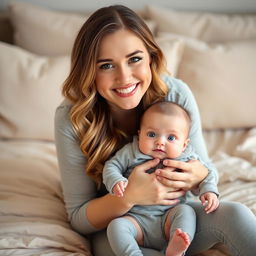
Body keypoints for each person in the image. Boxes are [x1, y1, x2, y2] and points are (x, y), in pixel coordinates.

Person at [54, 4, 256, 256]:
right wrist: (129, 197)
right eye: (106, 65)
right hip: (121, 223)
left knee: (236, 214)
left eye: (134, 59)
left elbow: (202, 169)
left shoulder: (175, 95)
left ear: (151, 57)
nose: (125, 77)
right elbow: (78, 218)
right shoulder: (73, 117)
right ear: (88, 71)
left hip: (173, 218)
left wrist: (197, 176)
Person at [103, 101, 219, 256]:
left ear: (184, 145)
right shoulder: (132, 151)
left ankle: (174, 249)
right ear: (139, 134)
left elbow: (207, 172)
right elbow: (111, 166)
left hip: (169, 217)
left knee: (186, 212)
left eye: (171, 138)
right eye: (151, 135)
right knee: (116, 226)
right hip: (136, 220)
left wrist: (209, 190)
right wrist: (116, 180)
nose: (160, 142)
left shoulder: (187, 156)